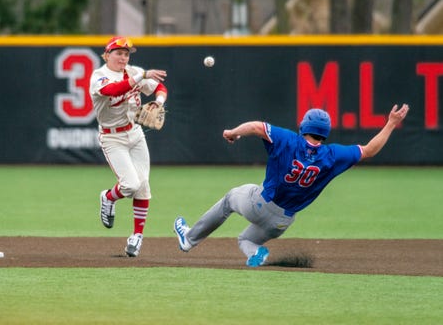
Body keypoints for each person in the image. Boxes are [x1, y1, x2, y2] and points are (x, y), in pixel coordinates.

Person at [174, 104, 409, 267]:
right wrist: (390, 124)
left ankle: (190, 239)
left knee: (229, 199)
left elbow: (257, 127)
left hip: (261, 204)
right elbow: (368, 150)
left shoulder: (288, 139)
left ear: (304, 125)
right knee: (246, 240)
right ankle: (256, 253)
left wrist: (233, 133)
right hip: (282, 222)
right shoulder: (332, 155)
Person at [90, 36, 168, 257]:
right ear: (107, 55)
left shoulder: (134, 71)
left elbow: (160, 87)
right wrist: (141, 76)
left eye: (126, 54)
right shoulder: (99, 76)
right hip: (112, 138)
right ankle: (108, 197)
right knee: (130, 184)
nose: (123, 57)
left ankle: (137, 236)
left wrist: (158, 102)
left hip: (134, 133)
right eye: (118, 53)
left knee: (143, 186)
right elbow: (113, 91)